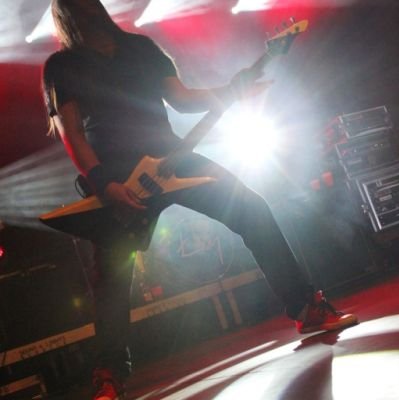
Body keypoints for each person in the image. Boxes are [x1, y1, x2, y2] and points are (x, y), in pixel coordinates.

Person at [42, 1, 358, 399]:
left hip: (173, 157)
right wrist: (104, 184)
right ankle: (109, 373)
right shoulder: (62, 66)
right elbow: (71, 133)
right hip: (118, 178)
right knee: (111, 278)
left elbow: (184, 99)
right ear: (66, 11)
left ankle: (306, 308)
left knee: (251, 208)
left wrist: (234, 88)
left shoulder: (140, 47)